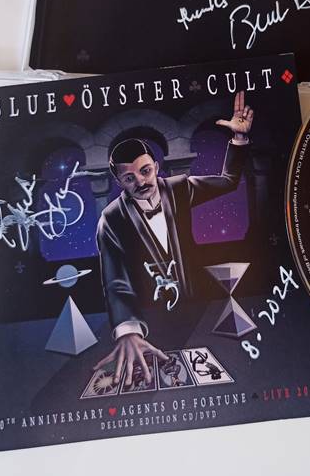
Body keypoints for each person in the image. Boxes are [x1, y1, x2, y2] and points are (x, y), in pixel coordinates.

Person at [93, 91, 254, 386]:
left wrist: (239, 139)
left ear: (156, 166)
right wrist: (128, 331)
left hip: (197, 309)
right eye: (129, 178)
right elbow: (115, 281)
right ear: (118, 182)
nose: (141, 181)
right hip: (149, 321)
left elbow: (229, 182)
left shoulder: (179, 188)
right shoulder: (111, 219)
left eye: (145, 171)